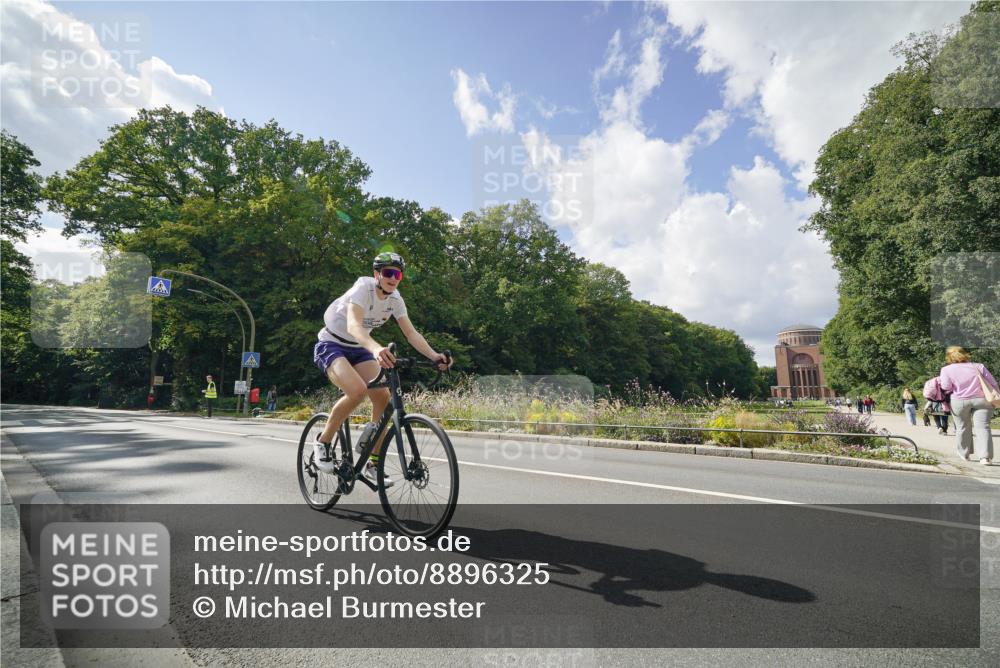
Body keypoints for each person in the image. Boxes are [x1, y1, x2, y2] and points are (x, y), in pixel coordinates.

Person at [312, 252, 451, 485]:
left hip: (358, 348)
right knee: (356, 391)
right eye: (388, 272)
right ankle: (323, 442)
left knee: (384, 399)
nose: (393, 278)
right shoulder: (362, 288)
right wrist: (376, 349)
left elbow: (411, 333)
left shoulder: (395, 299)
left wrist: (435, 356)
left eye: (398, 274)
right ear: (377, 274)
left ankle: (373, 463)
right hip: (332, 344)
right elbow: (354, 326)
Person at [939, 346, 999, 465]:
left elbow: (946, 387)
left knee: (962, 427)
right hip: (982, 400)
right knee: (983, 427)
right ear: (965, 354)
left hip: (959, 401)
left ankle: (964, 454)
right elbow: (993, 383)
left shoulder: (946, 370)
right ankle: (985, 458)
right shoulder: (978, 366)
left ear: (949, 357)